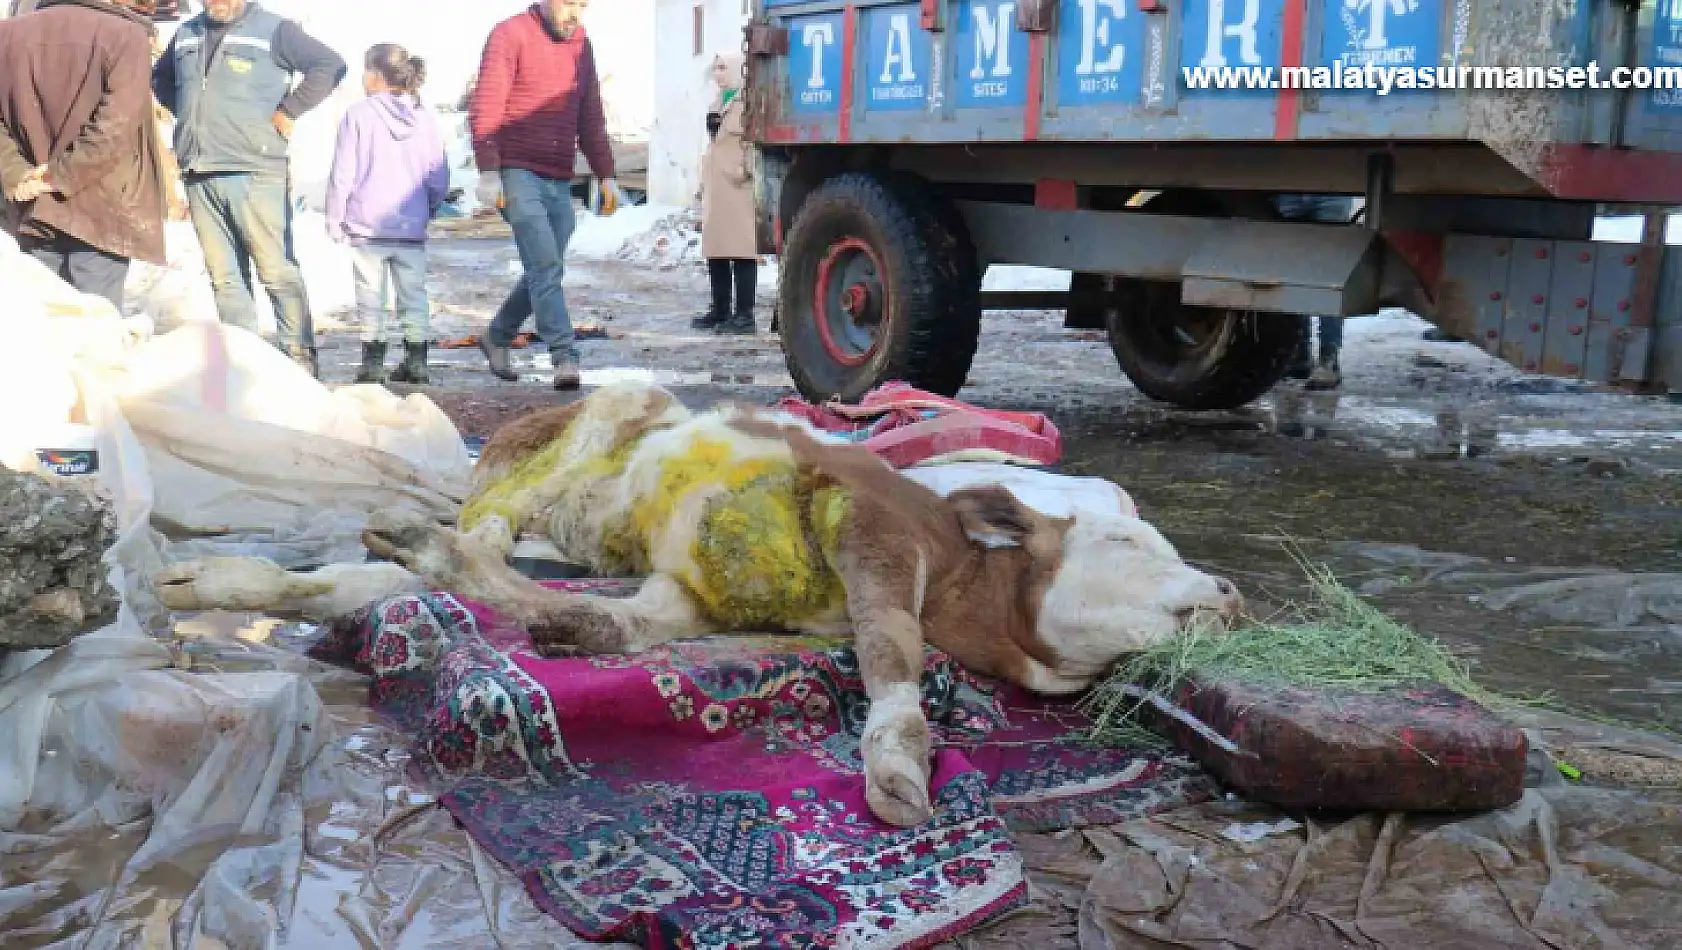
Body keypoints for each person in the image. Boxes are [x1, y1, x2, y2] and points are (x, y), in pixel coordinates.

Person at [151, 0, 346, 378]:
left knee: (275, 270)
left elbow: (330, 65)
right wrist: (195, 118)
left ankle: (299, 360)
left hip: (255, 169)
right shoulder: (187, 33)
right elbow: (160, 79)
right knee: (225, 278)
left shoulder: (275, 30)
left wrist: (289, 110)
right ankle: (244, 365)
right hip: (200, 169)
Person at [470, 0, 619, 391]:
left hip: (558, 175)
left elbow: (590, 114)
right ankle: (564, 356)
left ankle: (498, 336)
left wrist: (605, 174)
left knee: (544, 268)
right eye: (569, 4)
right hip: (517, 171)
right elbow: (487, 104)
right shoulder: (509, 34)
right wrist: (489, 170)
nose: (575, 15)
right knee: (546, 267)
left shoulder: (581, 44)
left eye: (582, 6)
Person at [0, 0, 171, 312]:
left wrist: (18, 174)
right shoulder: (125, 35)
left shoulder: (6, 35)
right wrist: (56, 177)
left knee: (46, 323)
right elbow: (115, 129)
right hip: (101, 209)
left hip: (33, 206)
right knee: (96, 332)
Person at [327, 43, 450, 386]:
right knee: (414, 294)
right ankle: (417, 361)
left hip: (368, 227)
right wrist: (428, 208)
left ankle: (373, 364)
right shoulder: (425, 118)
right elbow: (438, 174)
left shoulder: (358, 115)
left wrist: (335, 218)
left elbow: (343, 172)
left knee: (370, 295)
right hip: (411, 227)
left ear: (376, 76)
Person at [692, 53, 759, 336]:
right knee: (716, 250)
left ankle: (744, 316)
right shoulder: (717, 103)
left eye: (723, 68)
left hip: (738, 188)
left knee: (742, 252)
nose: (718, 73)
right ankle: (720, 310)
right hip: (716, 189)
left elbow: (754, 145)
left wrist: (742, 172)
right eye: (716, 68)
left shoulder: (748, 104)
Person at [1273, 193, 1357, 390]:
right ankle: (1302, 355)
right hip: (1294, 188)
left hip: (1326, 189)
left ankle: (1327, 357)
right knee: (1294, 273)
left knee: (1328, 276)